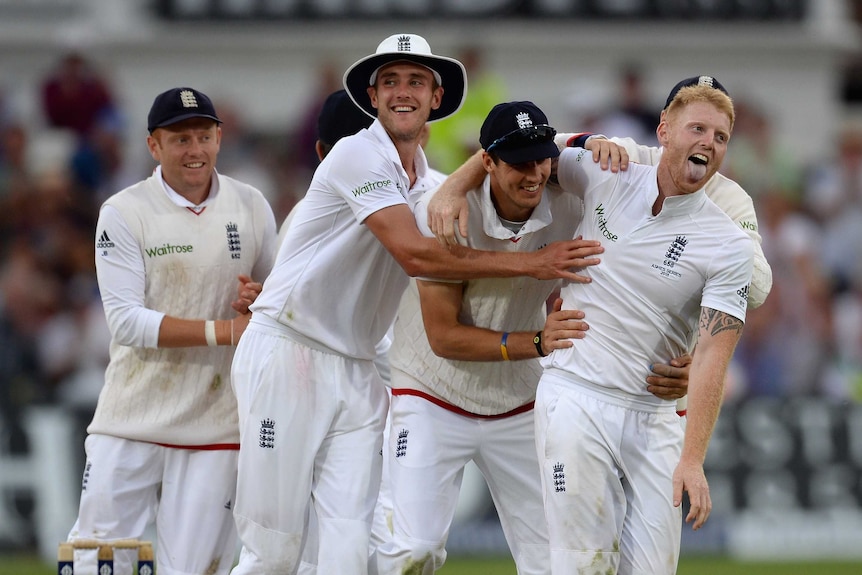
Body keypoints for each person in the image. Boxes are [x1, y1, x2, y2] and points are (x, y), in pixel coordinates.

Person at [228, 33, 613, 575]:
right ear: (372, 96)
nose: (401, 92)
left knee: (348, 547)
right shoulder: (355, 153)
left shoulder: (430, 187)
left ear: (436, 98)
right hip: (288, 351)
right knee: (273, 550)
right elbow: (416, 255)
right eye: (390, 81)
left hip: (359, 368)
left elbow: (500, 155)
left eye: (416, 81)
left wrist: (581, 137)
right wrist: (533, 263)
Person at [372, 101, 690, 575]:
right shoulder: (442, 215)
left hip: (519, 400)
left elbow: (659, 205)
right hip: (430, 392)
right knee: (411, 553)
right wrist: (538, 342)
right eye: (519, 162)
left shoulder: (572, 202)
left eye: (542, 159)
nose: (534, 174)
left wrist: (687, 353)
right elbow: (444, 337)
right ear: (487, 163)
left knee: (554, 561)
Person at [535, 83, 751, 574]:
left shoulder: (728, 243)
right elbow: (528, 144)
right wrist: (583, 140)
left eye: (720, 136)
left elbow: (714, 353)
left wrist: (693, 458)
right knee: (582, 565)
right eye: (698, 128)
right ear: (664, 131)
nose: (709, 143)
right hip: (575, 395)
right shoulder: (608, 171)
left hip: (654, 419)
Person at [65, 87, 278, 575]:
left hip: (216, 422)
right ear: (153, 146)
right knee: (95, 562)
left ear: (220, 138)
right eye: (180, 139)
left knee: (194, 570)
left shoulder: (251, 205)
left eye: (203, 136)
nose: (194, 150)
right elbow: (125, 320)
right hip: (131, 416)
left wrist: (259, 297)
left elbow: (279, 297)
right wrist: (225, 331)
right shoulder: (124, 211)